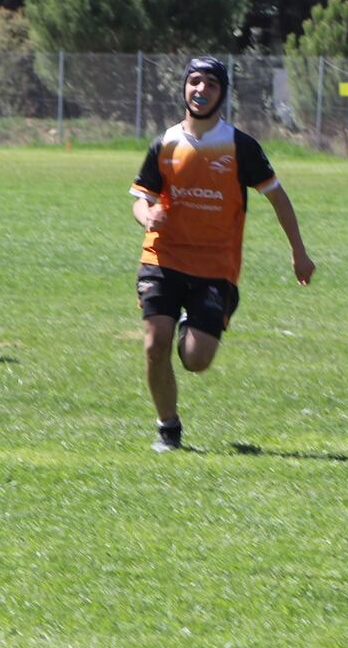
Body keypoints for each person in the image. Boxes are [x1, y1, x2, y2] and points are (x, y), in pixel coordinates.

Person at [129, 55, 315, 452]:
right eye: (194, 81)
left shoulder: (240, 146)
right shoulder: (164, 143)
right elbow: (140, 199)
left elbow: (278, 198)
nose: (201, 89)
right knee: (154, 343)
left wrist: (299, 252)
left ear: (222, 93)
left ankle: (189, 321)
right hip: (162, 259)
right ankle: (168, 428)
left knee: (196, 359)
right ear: (184, 88)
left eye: (211, 84)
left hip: (216, 268)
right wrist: (148, 215)